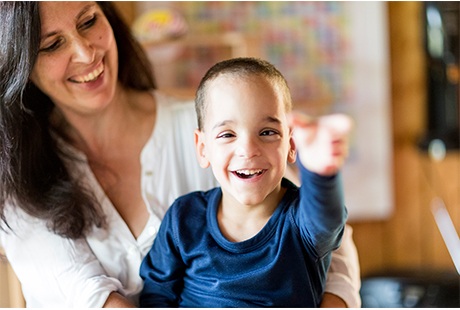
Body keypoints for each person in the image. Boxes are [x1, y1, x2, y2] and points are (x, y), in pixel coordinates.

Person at [0, 1, 360, 308]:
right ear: (20, 62)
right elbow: (84, 295)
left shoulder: (222, 127)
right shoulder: (17, 178)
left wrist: (323, 171)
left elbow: (330, 241)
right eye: (52, 45)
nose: (85, 52)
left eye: (89, 21)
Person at [139, 57, 350, 307]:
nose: (248, 150)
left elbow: (327, 219)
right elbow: (156, 296)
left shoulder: (302, 222)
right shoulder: (183, 218)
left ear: (291, 145)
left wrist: (320, 172)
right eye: (227, 135)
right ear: (203, 148)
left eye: (267, 133)